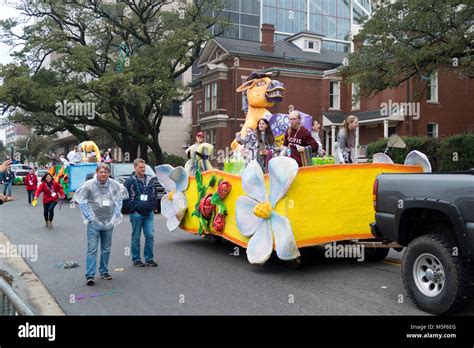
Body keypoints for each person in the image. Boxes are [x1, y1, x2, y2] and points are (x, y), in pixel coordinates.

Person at [73, 163, 128, 285]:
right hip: (94, 223)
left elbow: (119, 198)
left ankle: (104, 271)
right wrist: (89, 217)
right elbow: (81, 200)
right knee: (92, 249)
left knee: (106, 249)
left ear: (109, 173)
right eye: (101, 172)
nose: (103, 174)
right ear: (97, 173)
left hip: (109, 222)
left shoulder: (114, 184)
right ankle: (90, 275)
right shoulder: (90, 185)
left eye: (106, 172)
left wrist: (115, 216)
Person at [123, 158, 159, 268]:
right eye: (140, 167)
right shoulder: (130, 181)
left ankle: (149, 258)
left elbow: (154, 193)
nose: (143, 169)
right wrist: (132, 209)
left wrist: (154, 206)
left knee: (150, 235)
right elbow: (125, 196)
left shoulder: (150, 180)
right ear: (135, 167)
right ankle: (136, 259)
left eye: (144, 167)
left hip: (149, 213)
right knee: (136, 237)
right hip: (136, 213)